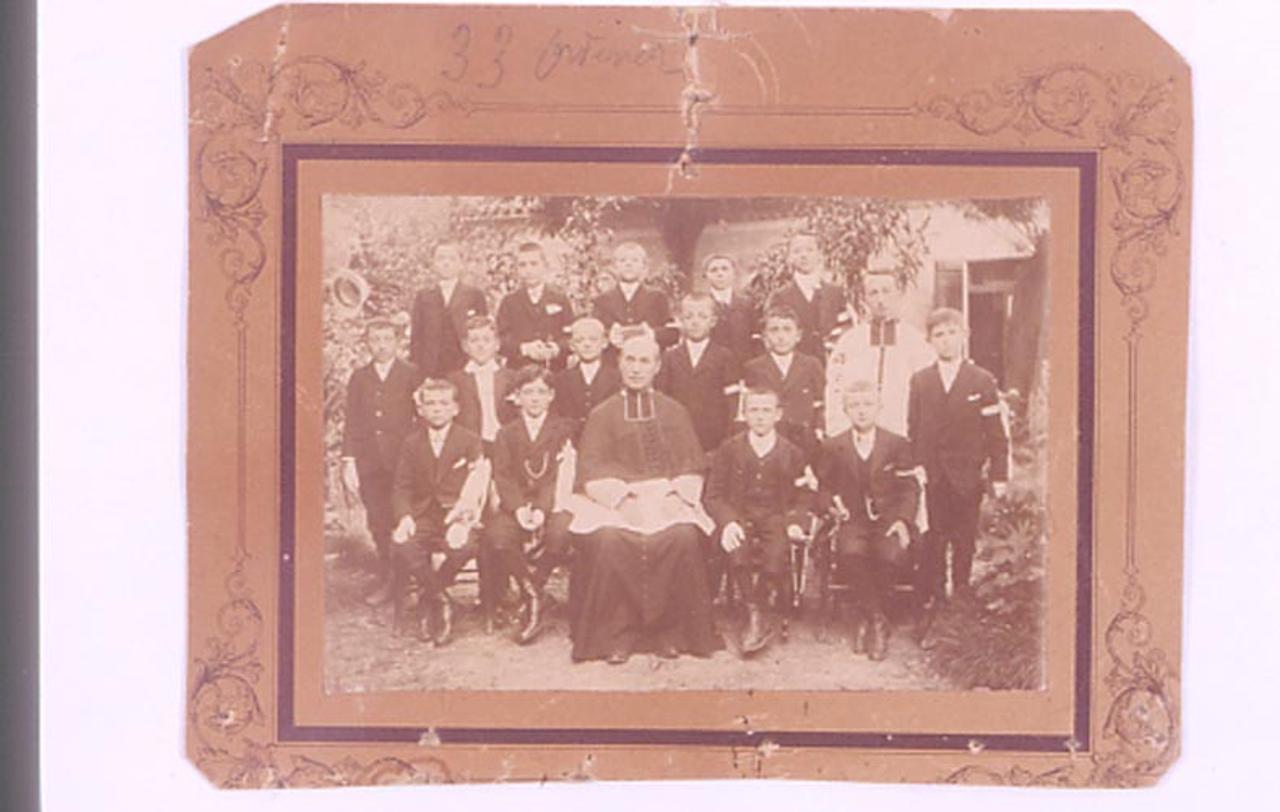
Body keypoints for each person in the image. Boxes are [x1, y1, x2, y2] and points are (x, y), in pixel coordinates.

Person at [563, 334, 720, 664]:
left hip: (666, 496)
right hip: (615, 498)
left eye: (644, 361)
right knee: (610, 540)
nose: (636, 369)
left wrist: (678, 496)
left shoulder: (674, 411)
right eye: (630, 360)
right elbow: (591, 466)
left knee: (683, 537)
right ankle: (617, 635)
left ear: (657, 367)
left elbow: (691, 462)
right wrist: (620, 500)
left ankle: (669, 632)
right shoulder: (602, 413)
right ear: (619, 363)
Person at [907, 307, 1010, 601]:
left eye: (953, 333)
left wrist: (999, 475)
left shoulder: (982, 380)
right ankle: (934, 601)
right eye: (939, 335)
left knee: (964, 541)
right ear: (929, 340)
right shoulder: (921, 381)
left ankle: (962, 599)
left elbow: (996, 435)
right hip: (933, 477)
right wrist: (917, 466)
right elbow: (913, 429)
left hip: (967, 476)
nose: (947, 341)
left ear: (965, 335)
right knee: (933, 541)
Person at [705, 387, 814, 656]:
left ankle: (762, 604)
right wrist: (727, 521)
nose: (760, 416)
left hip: (776, 515)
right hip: (740, 514)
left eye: (767, 410)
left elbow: (803, 495)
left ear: (778, 414)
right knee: (736, 551)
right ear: (744, 414)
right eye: (754, 410)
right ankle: (754, 614)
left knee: (776, 555)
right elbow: (714, 494)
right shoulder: (729, 449)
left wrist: (796, 521)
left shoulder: (792, 452)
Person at [819, 380, 920, 660]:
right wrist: (832, 507)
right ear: (846, 410)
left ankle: (867, 618)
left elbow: (910, 488)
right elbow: (824, 487)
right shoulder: (833, 445)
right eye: (855, 406)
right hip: (853, 518)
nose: (861, 411)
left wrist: (902, 520)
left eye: (867, 405)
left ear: (879, 408)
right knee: (850, 552)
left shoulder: (896, 443)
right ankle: (877, 619)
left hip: (888, 518)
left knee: (889, 554)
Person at [389, 379, 488, 645]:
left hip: (455, 514)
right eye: (430, 404)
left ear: (455, 408)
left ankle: (427, 597)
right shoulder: (412, 443)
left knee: (466, 546)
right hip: (422, 515)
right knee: (402, 543)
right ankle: (441, 599)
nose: (437, 409)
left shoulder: (469, 440)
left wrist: (465, 516)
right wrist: (405, 517)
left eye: (444, 404)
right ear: (420, 409)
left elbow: (477, 484)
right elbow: (401, 487)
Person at [485, 366, 577, 644]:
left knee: (560, 535)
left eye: (540, 392)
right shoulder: (506, 433)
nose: (534, 398)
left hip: (551, 503)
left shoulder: (564, 429)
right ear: (517, 397)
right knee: (498, 537)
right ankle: (535, 594)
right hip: (517, 504)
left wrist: (540, 508)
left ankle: (534, 590)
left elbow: (560, 475)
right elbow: (503, 475)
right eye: (527, 392)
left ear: (551, 396)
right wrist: (519, 508)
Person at [339, 319, 420, 603]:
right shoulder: (360, 377)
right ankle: (387, 576)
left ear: (398, 341)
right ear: (367, 343)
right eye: (375, 340)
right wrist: (349, 459)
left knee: (404, 518)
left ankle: (408, 580)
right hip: (370, 460)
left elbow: (422, 419)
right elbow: (352, 419)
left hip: (402, 461)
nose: (382, 345)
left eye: (387, 339)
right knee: (378, 520)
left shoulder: (412, 373)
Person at [825, 267, 935, 437]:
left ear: (898, 295)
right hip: (857, 434)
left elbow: (928, 393)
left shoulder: (915, 342)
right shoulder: (850, 341)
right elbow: (835, 389)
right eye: (873, 293)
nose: (881, 300)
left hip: (901, 430)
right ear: (864, 299)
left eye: (886, 292)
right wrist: (838, 430)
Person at [656, 293, 741, 457]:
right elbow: (662, 399)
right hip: (678, 434)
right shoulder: (669, 357)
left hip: (713, 438)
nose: (695, 322)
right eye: (689, 316)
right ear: (680, 320)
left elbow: (732, 404)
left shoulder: (725, 357)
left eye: (702, 316)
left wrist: (726, 440)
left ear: (713, 321)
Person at [743, 305, 825, 462]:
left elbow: (820, 404)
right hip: (769, 441)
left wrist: (819, 431)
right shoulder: (753, 368)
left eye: (787, 330)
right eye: (774, 330)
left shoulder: (812, 364)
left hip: (805, 441)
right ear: (765, 336)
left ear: (798, 335)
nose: (781, 336)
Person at [409, 241, 488, 382]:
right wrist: (418, 372)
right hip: (432, 366)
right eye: (441, 258)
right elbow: (416, 338)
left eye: (452, 258)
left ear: (461, 263)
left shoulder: (474, 295)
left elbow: (483, 332)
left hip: (464, 364)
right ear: (433, 264)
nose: (446, 263)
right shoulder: (424, 296)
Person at [765, 232, 845, 362]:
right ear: (789, 258)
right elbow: (774, 333)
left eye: (809, 250)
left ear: (820, 255)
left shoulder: (835, 292)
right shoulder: (780, 296)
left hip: (832, 362)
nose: (804, 255)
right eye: (797, 251)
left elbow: (844, 328)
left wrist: (834, 351)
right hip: (796, 365)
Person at [495, 241, 575, 370]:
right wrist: (525, 348)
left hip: (554, 370)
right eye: (523, 265)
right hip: (519, 370)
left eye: (534, 264)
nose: (529, 270)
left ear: (544, 266)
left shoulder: (560, 299)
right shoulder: (509, 302)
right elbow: (500, 340)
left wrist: (554, 348)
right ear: (517, 269)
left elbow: (570, 336)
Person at [592, 241, 678, 353]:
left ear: (644, 267)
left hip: (648, 359)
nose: (629, 264)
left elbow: (672, 333)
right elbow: (593, 331)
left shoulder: (658, 297)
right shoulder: (602, 300)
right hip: (613, 361)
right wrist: (609, 335)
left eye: (635, 260)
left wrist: (652, 334)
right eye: (623, 260)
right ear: (615, 266)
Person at [446, 316, 518, 449]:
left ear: (497, 344)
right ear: (465, 346)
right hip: (470, 445)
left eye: (487, 340)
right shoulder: (455, 380)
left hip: (505, 445)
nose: (481, 345)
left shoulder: (511, 378)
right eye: (474, 340)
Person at [552, 317, 620, 439]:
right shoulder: (560, 380)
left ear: (604, 342)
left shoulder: (618, 378)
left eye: (593, 339)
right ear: (572, 346)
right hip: (571, 442)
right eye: (580, 340)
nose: (587, 344)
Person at [701, 253, 760, 365]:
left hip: (743, 365)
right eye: (714, 270)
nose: (720, 274)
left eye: (725, 269)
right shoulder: (702, 304)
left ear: (734, 273)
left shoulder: (747, 303)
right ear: (705, 275)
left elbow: (755, 337)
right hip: (712, 366)